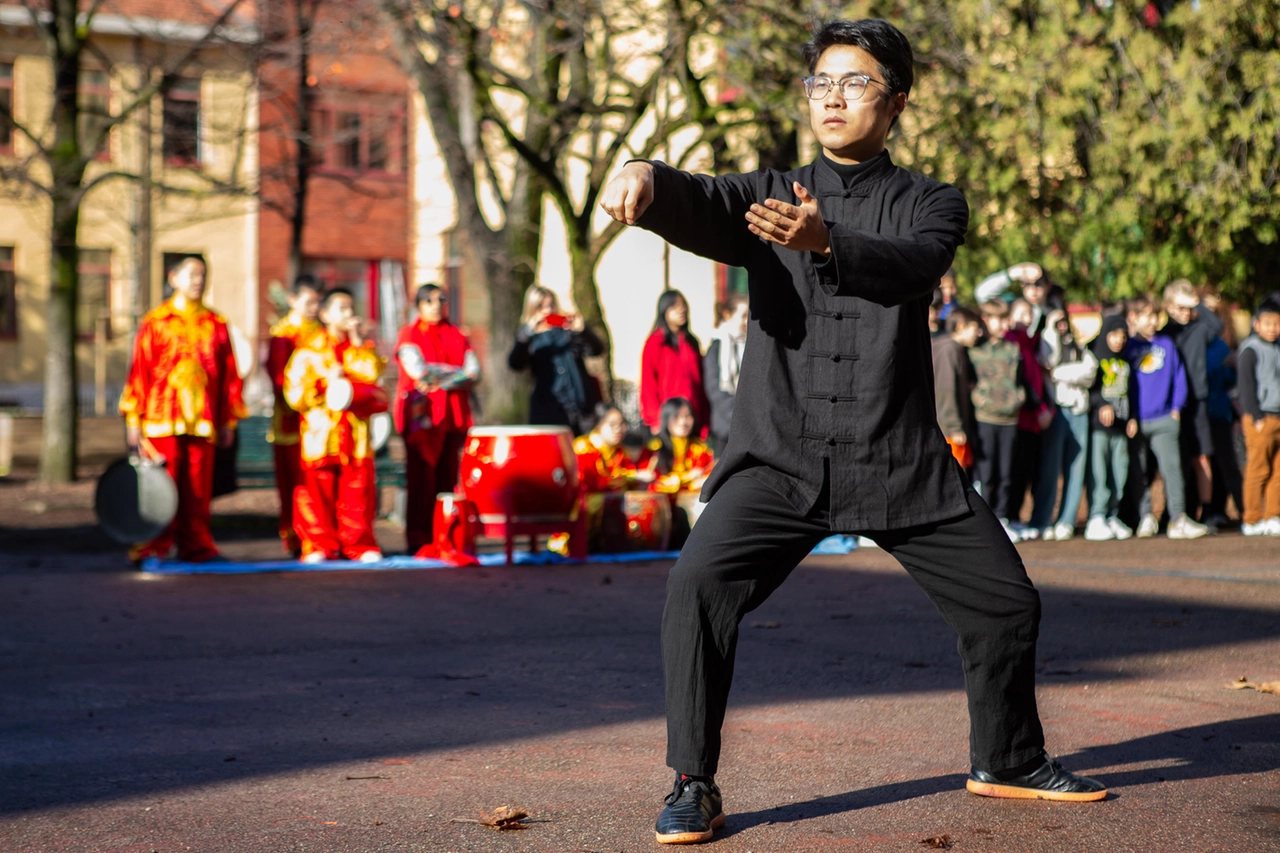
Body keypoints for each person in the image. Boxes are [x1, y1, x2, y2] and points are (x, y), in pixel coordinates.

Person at [599, 18, 1105, 845]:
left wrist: (828, 241)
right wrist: (644, 173)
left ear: (896, 102)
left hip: (897, 457)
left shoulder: (932, 203)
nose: (833, 97)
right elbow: (703, 197)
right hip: (780, 460)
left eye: (856, 82)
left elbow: (912, 266)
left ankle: (1006, 758)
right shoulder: (767, 192)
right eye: (820, 83)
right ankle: (694, 782)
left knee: (1006, 603)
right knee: (696, 586)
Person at [119, 257, 245, 563]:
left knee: (199, 489)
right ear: (173, 278)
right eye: (191, 274)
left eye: (202, 275)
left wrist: (228, 419)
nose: (198, 281)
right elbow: (140, 371)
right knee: (162, 486)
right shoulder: (156, 321)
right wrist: (133, 418)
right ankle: (153, 546)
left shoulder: (216, 324)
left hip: (203, 420)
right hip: (161, 418)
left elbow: (229, 374)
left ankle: (197, 546)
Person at [283, 288, 386, 563]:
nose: (349, 314)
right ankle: (318, 544)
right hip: (321, 434)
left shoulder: (360, 350)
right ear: (325, 314)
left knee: (357, 493)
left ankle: (360, 545)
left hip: (355, 434)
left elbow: (374, 378)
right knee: (317, 493)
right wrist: (324, 383)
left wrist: (360, 344)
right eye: (342, 309)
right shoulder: (309, 351)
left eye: (351, 308)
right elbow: (294, 395)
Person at [394, 284, 481, 554]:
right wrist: (454, 376)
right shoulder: (409, 333)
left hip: (452, 417)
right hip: (423, 418)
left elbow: (474, 373)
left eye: (441, 300)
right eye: (429, 300)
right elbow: (418, 371)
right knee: (421, 479)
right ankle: (419, 539)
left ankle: (446, 535)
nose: (436, 306)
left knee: (447, 479)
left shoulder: (457, 334)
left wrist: (438, 376)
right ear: (418, 305)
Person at [1124, 295, 1208, 540]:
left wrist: (1176, 408)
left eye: (1155, 316)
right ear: (1133, 318)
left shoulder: (1167, 344)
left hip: (1164, 419)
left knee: (1173, 470)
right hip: (1136, 422)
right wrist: (1129, 416)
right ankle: (1145, 516)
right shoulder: (1128, 347)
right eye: (1146, 316)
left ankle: (1178, 519)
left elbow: (1179, 378)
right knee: (1138, 472)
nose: (1152, 321)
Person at [264, 274, 322, 556]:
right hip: (292, 423)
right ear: (292, 300)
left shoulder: (324, 334)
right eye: (308, 301)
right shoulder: (283, 335)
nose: (314, 307)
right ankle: (297, 538)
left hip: (325, 425)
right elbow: (280, 381)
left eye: (317, 301)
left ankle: (320, 537)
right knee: (296, 484)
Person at [1030, 310, 1097, 541]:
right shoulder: (1048, 342)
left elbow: (1090, 372)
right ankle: (1042, 520)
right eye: (1056, 323)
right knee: (1050, 469)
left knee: (1075, 469)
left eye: (1063, 322)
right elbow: (1046, 360)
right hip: (1057, 411)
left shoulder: (1079, 346)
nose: (1061, 326)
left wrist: (1058, 373)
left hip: (1079, 412)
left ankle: (1066, 520)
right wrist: (1049, 330)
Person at [1161, 279, 1223, 522]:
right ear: (1168, 306)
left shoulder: (1200, 328)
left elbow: (1217, 325)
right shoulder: (1164, 334)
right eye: (1180, 307)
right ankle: (1175, 511)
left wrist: (1196, 301)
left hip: (1197, 401)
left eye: (1188, 307)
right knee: (1175, 460)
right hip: (1171, 404)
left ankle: (1207, 510)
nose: (1185, 313)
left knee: (1201, 456)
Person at [507, 284, 604, 434]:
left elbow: (596, 350)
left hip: (581, 410)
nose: (548, 311)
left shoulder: (568, 332)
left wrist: (583, 331)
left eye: (551, 305)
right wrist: (528, 333)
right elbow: (515, 364)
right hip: (549, 411)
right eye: (541, 307)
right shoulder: (529, 339)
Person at [970, 300, 1025, 536]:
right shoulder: (975, 351)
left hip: (1010, 421)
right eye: (998, 319)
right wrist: (979, 400)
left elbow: (1021, 382)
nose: (1004, 324)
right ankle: (985, 519)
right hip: (984, 419)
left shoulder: (1013, 350)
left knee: (1006, 473)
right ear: (986, 319)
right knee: (986, 473)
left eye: (1005, 319)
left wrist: (1018, 399)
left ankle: (1002, 517)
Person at [1084, 314, 1138, 541]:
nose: (1119, 340)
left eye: (1123, 336)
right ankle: (1096, 515)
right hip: (1100, 428)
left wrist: (1133, 417)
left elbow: (1132, 391)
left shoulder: (1126, 361)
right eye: (1114, 335)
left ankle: (1112, 515)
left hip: (1121, 427)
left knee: (1120, 471)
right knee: (1100, 472)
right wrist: (1102, 405)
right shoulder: (1095, 357)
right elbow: (1092, 389)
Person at [1237, 300, 1280, 536]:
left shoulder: (1278, 348)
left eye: (1277, 323)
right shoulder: (1250, 349)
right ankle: (1252, 518)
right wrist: (1256, 415)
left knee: (1278, 472)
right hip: (1260, 418)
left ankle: (1273, 515)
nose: (1273, 327)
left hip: (1279, 416)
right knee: (1258, 469)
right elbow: (1246, 386)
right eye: (1268, 323)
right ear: (1256, 324)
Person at [640, 290, 709, 435]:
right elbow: (648, 384)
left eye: (683, 306)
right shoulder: (656, 342)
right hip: (668, 420)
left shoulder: (691, 342)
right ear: (664, 311)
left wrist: (704, 421)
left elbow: (700, 384)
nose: (681, 310)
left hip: (691, 419)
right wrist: (655, 420)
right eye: (675, 307)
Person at [1202, 294, 1243, 528]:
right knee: (1201, 464)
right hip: (1198, 413)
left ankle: (1245, 513)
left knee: (1226, 464)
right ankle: (1202, 513)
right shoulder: (1195, 340)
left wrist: (1230, 368)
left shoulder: (1220, 344)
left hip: (1220, 412)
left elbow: (1228, 379)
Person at [932, 306, 981, 476]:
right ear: (961, 326)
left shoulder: (953, 348)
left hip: (950, 429)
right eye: (975, 327)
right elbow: (946, 388)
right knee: (954, 476)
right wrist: (954, 427)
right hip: (949, 432)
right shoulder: (949, 349)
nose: (979, 333)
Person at [703, 294, 749, 451]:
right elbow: (714, 388)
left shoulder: (750, 345)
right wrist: (737, 415)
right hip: (725, 427)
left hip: (749, 428)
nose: (746, 321)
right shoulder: (717, 346)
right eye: (742, 316)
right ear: (728, 315)